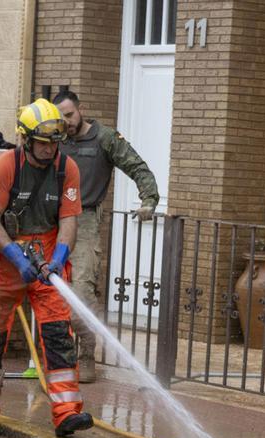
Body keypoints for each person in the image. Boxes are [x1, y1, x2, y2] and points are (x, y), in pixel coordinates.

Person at [0, 98, 94, 438]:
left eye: (54, 143)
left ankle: (66, 412)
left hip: (48, 251)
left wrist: (60, 256)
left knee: (57, 335)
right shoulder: (6, 167)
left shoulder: (68, 169)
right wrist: (17, 258)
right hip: (8, 252)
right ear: (25, 139)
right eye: (43, 142)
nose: (50, 149)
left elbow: (69, 221)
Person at [53, 90, 160, 382]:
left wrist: (149, 199)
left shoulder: (105, 138)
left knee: (83, 290)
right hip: (50, 216)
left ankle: (86, 354)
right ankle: (54, 356)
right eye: (61, 117)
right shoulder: (54, 137)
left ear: (81, 109)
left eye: (70, 115)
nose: (67, 122)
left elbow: (137, 167)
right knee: (47, 289)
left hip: (83, 218)